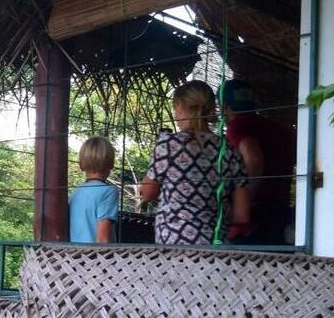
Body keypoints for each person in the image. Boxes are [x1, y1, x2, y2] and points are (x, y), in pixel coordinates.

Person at [140, 80, 250, 245]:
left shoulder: (168, 145)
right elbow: (242, 215)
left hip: (175, 246)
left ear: (181, 105)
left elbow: (148, 194)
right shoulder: (229, 150)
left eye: (175, 107)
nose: (175, 113)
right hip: (216, 247)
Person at [220, 79, 295, 245]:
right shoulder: (280, 130)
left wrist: (242, 202)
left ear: (225, 106)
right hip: (279, 214)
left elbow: (253, 157)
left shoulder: (238, 126)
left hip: (251, 222)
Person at [69, 136, 119, 244]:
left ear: (81, 165)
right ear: (111, 164)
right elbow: (102, 240)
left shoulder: (75, 193)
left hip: (73, 257)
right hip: (95, 258)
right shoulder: (109, 192)